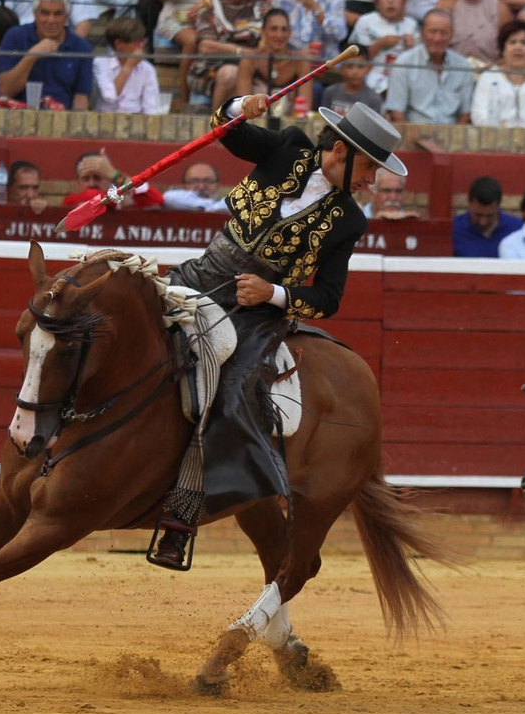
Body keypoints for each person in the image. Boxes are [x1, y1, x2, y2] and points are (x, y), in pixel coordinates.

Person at [148, 99, 410, 566]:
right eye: (370, 167)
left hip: (255, 314)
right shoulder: (288, 148)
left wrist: (272, 293)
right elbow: (226, 133)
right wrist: (237, 107)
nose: (373, 181)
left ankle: (181, 515)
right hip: (201, 275)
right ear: (340, 152)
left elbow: (328, 297)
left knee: (231, 391)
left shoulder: (350, 220)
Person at [189, 0, 270, 108]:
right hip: (213, 68)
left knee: (265, 91)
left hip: (253, 68)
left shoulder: (261, 4)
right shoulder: (211, 3)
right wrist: (243, 52)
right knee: (231, 74)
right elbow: (206, 46)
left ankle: (244, 131)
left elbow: (268, 39)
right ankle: (218, 128)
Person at [0, 0, 96, 109]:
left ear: (67, 16)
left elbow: (81, 99)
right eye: (44, 13)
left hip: (61, 121)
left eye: (57, 14)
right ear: (35, 14)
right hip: (18, 117)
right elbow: (5, 91)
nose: (51, 20)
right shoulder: (15, 36)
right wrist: (31, 56)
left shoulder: (82, 47)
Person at [385, 9, 477, 121]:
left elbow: (465, 113)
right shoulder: (404, 63)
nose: (437, 38)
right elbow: (396, 111)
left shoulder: (463, 66)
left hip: (452, 133)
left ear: (451, 35)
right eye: (432, 32)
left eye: (443, 33)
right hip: (413, 133)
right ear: (422, 33)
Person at [351, 0, 420, 92]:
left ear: (404, 1)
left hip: (404, 82)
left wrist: (411, 50)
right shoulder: (365, 22)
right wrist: (379, 44)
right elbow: (355, 61)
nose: (390, 1)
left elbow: (420, 66)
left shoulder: (412, 26)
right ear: (377, 2)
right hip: (368, 81)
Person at [94, 16, 161, 113]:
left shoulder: (147, 69)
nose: (141, 46)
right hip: (104, 122)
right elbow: (110, 96)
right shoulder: (100, 63)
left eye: (143, 41)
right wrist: (128, 67)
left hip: (136, 123)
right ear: (118, 44)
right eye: (136, 42)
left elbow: (151, 108)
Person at [0, 161, 49, 238]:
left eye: (35, 188)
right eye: (23, 188)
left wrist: (47, 215)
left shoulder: (47, 224)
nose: (30, 195)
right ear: (9, 189)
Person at [63, 148, 166, 208]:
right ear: (76, 184)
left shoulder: (118, 197)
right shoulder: (71, 200)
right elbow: (92, 196)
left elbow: (156, 199)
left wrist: (115, 175)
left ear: (109, 180)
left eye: (98, 177)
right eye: (86, 179)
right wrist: (123, 198)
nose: (92, 183)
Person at [453, 175, 525, 255]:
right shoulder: (453, 229)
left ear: (498, 206)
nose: (483, 222)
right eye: (477, 215)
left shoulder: (518, 228)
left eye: (490, 216)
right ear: (469, 204)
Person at [318, 46, 386, 113]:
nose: (355, 72)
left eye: (361, 66)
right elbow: (324, 117)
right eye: (350, 66)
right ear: (341, 68)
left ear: (369, 68)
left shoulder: (374, 99)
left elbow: (371, 123)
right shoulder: (330, 92)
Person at [159, 161, 230, 212]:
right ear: (184, 185)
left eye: (208, 181)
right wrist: (212, 207)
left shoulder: (227, 205)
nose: (201, 187)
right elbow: (168, 197)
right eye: (194, 181)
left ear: (218, 185)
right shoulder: (173, 200)